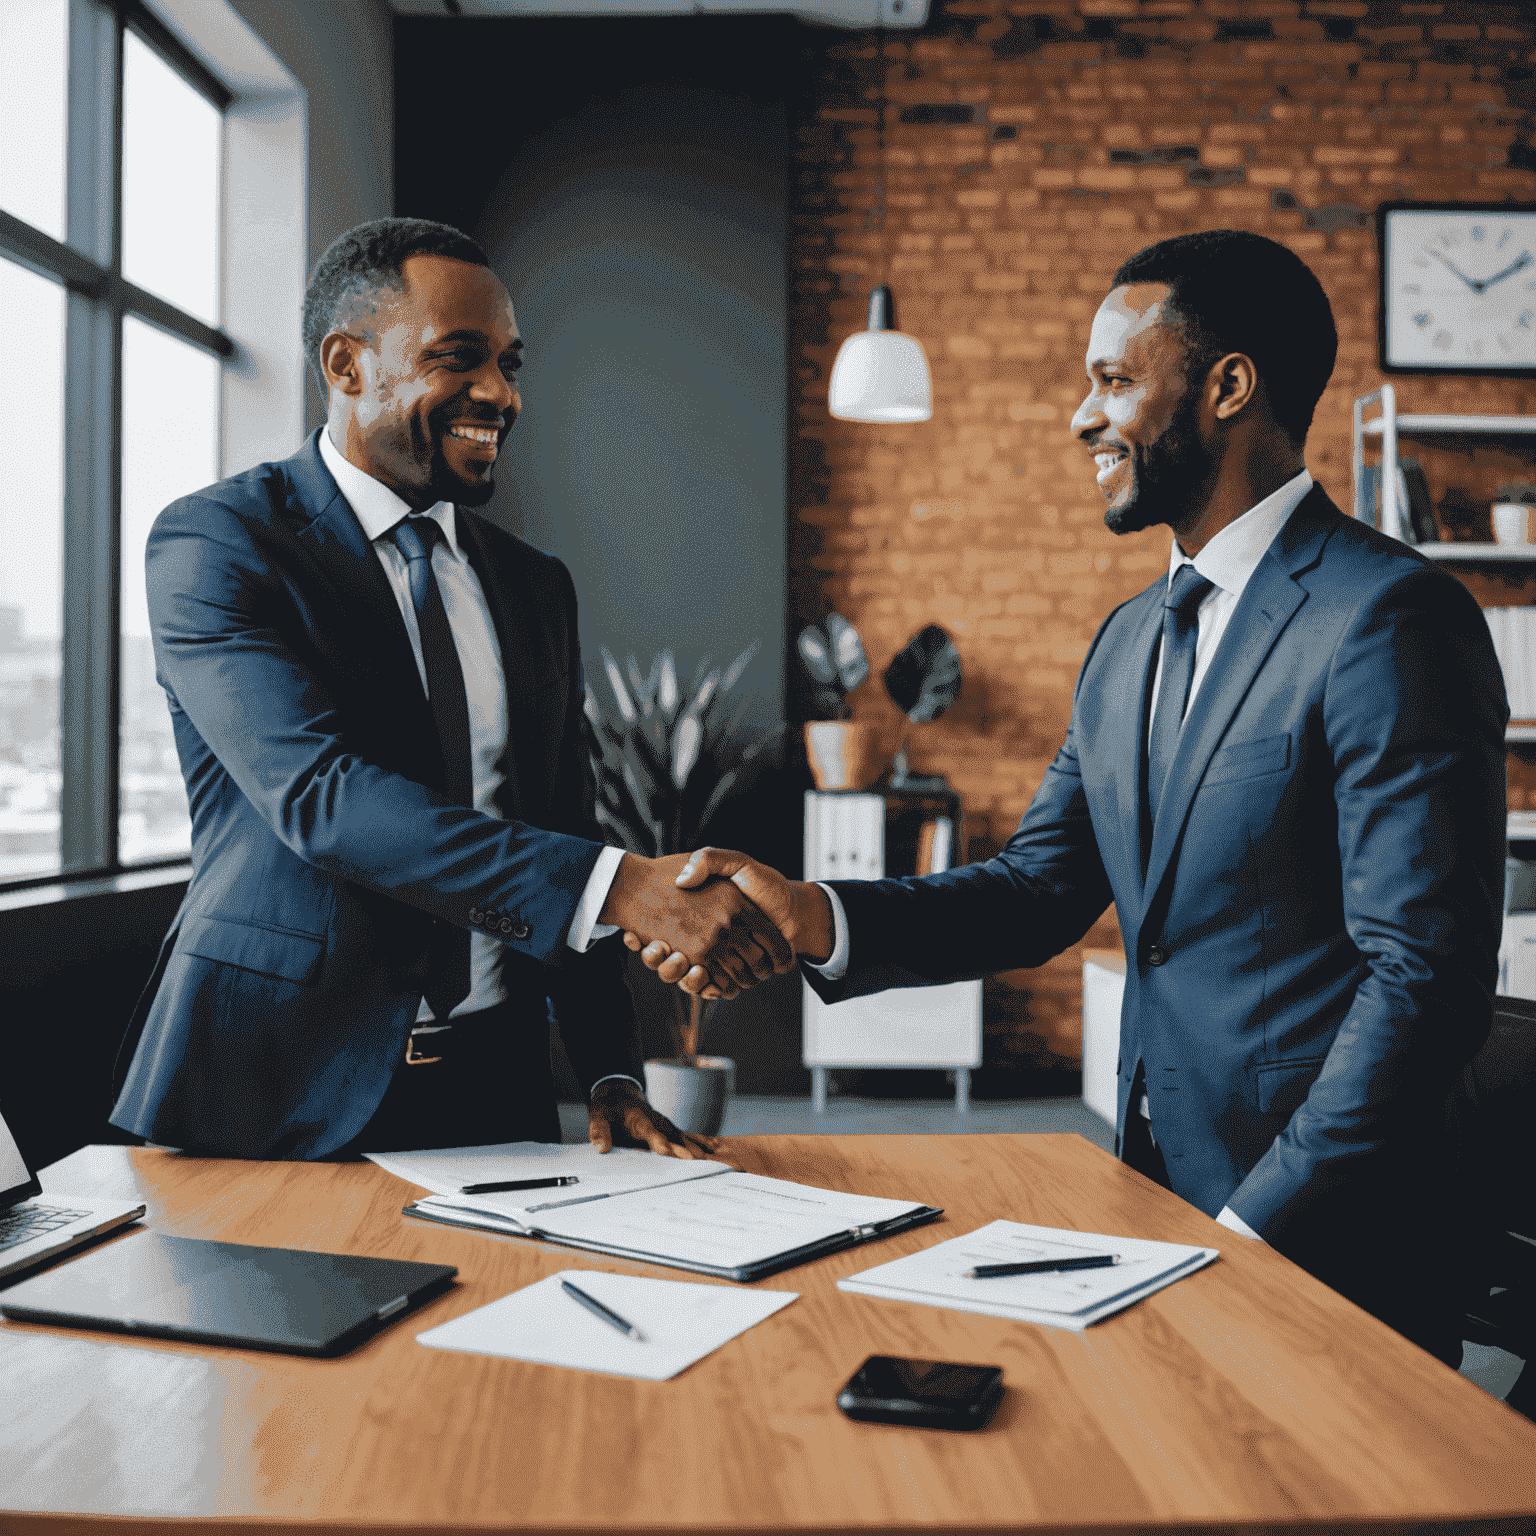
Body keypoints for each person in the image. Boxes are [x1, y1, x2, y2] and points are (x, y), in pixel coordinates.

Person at [636, 230, 1507, 1364]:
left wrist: (1256, 1224)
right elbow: (1037, 888)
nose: (1080, 418)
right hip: (1156, 1199)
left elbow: (1425, 980)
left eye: (1113, 381)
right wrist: (822, 915)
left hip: (1327, 1240)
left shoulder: (1388, 618)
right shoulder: (1129, 642)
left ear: (1229, 386)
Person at [109, 217, 790, 1161]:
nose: (500, 395)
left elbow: (563, 825)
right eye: (458, 358)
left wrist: (610, 1072)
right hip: (274, 1087)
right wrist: (619, 887)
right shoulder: (218, 542)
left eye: (510, 364)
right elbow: (320, 798)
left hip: (496, 1087)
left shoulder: (533, 584)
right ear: (346, 365)